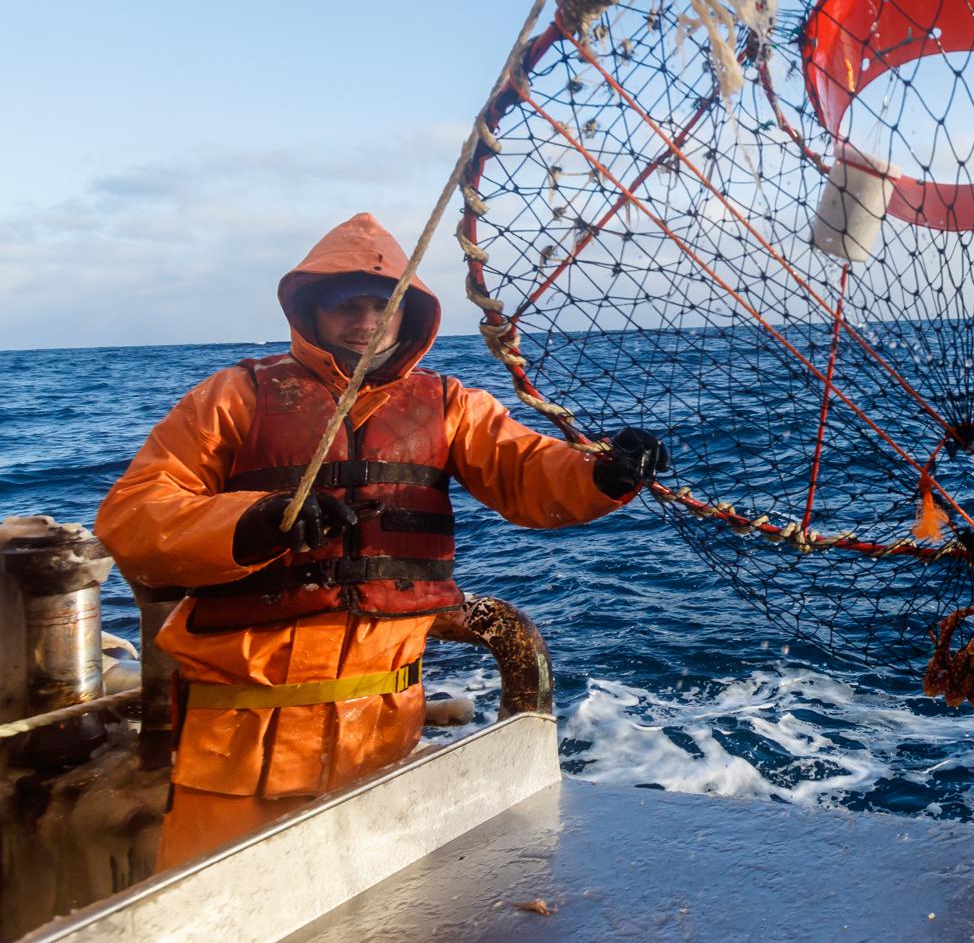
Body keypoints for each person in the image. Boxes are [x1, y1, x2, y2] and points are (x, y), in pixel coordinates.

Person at [96, 213, 667, 869]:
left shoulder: (449, 403)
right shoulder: (234, 398)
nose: (367, 320)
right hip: (237, 752)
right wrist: (249, 523)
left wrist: (602, 472)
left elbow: (528, 471)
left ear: (409, 317)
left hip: (384, 741)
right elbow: (133, 517)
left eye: (382, 305)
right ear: (310, 309)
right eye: (347, 306)